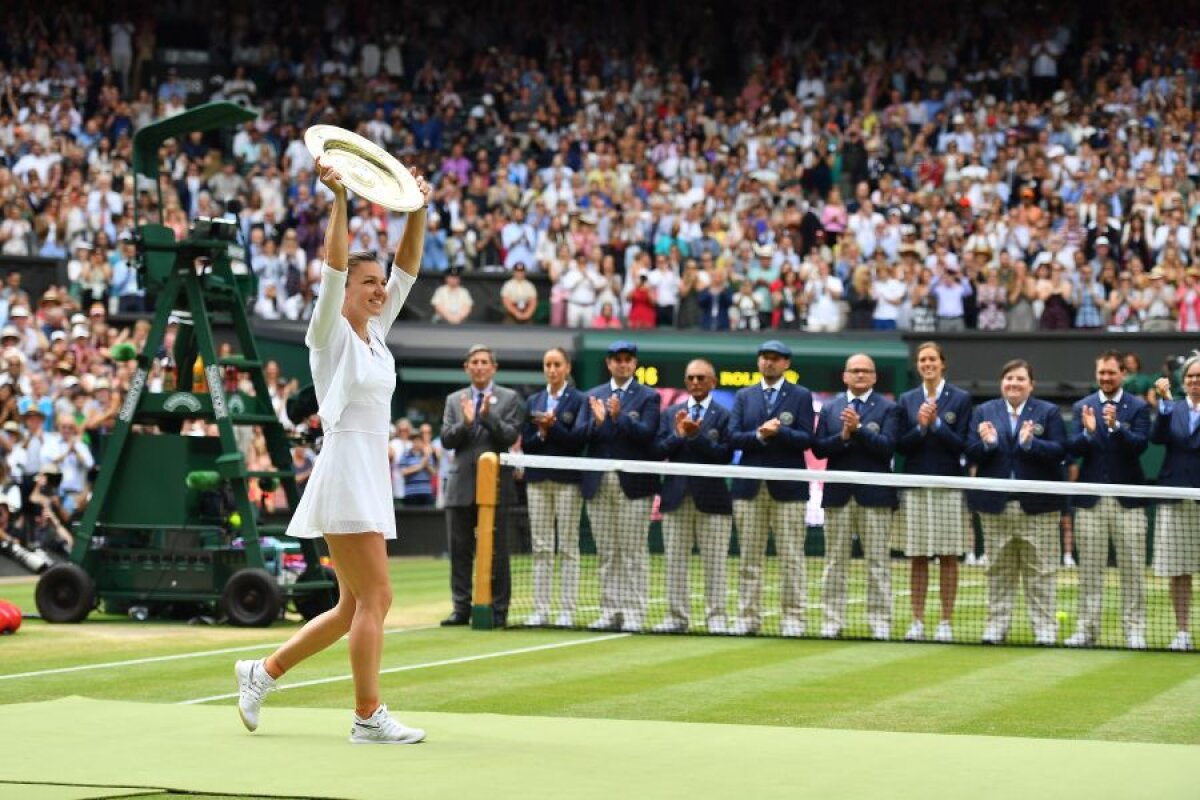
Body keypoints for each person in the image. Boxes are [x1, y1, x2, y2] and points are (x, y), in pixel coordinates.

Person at [234, 157, 431, 744]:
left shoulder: (378, 335)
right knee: (378, 595)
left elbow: (411, 268)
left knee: (351, 607)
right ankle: (367, 715)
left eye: (379, 284)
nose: (378, 289)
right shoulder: (328, 332)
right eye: (367, 282)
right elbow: (333, 267)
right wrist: (340, 202)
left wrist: (417, 209)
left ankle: (261, 673)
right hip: (346, 467)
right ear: (347, 289)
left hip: (368, 469)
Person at [965, 359, 1066, 646]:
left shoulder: (1049, 412)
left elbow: (1061, 450)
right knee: (998, 571)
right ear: (1001, 383)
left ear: (1031, 385)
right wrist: (986, 444)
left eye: (1020, 379)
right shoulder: (984, 411)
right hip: (996, 506)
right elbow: (970, 452)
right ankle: (996, 628)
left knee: (1042, 572)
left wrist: (1031, 444)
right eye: (1009, 378)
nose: (1014, 383)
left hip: (1039, 507)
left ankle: (1045, 630)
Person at [572, 340, 661, 632]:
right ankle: (610, 611)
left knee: (633, 551)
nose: (623, 364)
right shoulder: (592, 395)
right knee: (608, 552)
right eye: (617, 359)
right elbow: (579, 436)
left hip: (634, 484)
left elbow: (647, 435)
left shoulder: (649, 397)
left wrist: (617, 417)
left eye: (628, 359)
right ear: (609, 363)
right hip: (599, 482)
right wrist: (597, 423)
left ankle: (635, 613)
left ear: (634, 363)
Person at [1065, 350, 1151, 649]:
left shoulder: (1138, 407)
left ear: (1122, 374)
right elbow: (1072, 448)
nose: (1105, 377)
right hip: (1091, 502)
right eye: (1101, 372)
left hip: (1128, 501)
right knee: (1089, 570)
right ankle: (1086, 630)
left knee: (1133, 570)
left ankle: (1134, 631)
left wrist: (1115, 427)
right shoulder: (1082, 407)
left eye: (1111, 373)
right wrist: (1089, 434)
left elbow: (1140, 446)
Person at [728, 340, 813, 637]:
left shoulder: (801, 395)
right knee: (749, 559)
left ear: (786, 363)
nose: (769, 363)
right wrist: (760, 436)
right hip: (749, 489)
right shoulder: (744, 396)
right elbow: (733, 437)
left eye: (775, 359)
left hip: (788, 489)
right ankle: (747, 618)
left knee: (792, 558)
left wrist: (780, 432)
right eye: (764, 358)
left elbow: (806, 439)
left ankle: (793, 619)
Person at [813, 353, 900, 640]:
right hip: (838, 496)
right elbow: (820, 449)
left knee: (878, 563)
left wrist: (859, 430)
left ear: (874, 377)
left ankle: (880, 623)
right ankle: (832, 622)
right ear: (845, 376)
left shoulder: (888, 408)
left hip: (875, 497)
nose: (860, 375)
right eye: (855, 371)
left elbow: (887, 447)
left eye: (865, 371)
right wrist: (844, 437)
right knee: (834, 562)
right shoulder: (830, 408)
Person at [438, 345, 523, 628]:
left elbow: (509, 436)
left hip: (497, 487)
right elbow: (448, 439)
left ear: (493, 367)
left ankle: (499, 611)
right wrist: (467, 422)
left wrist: (487, 417)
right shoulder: (454, 400)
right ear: (466, 367)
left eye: (484, 362)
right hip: (460, 487)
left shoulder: (509, 398)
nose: (479, 366)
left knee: (498, 551)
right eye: (474, 362)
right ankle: (460, 609)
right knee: (459, 551)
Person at [895, 342, 973, 642]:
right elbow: (901, 445)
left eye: (933, 359)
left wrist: (937, 425)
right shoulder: (907, 399)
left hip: (949, 485)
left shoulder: (961, 399)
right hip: (915, 486)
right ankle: (917, 620)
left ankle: (945, 622)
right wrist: (920, 428)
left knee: (948, 557)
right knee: (917, 557)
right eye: (923, 360)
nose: (928, 364)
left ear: (943, 364)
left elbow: (963, 445)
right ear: (918, 366)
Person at [654, 358, 733, 634]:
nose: (696, 382)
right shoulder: (671, 413)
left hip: (712, 500)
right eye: (691, 378)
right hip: (676, 499)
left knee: (715, 564)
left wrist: (697, 436)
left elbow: (724, 456)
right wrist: (678, 435)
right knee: (675, 563)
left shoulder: (724, 416)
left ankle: (716, 618)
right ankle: (676, 617)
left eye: (701, 378)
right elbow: (659, 450)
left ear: (713, 382)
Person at [521, 346, 586, 627]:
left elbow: (577, 440)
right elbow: (527, 443)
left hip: (568, 482)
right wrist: (543, 431)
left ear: (567, 368)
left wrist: (554, 428)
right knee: (541, 547)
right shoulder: (534, 400)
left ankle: (567, 611)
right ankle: (541, 609)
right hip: (537, 481)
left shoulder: (579, 399)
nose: (552, 369)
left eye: (557, 364)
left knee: (568, 547)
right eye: (548, 364)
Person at [1150, 359, 1200, 651]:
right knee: (1178, 569)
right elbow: (1157, 438)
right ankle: (1182, 632)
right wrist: (1165, 404)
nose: (1195, 381)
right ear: (1184, 382)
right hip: (1176, 496)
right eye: (1191, 377)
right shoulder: (1173, 408)